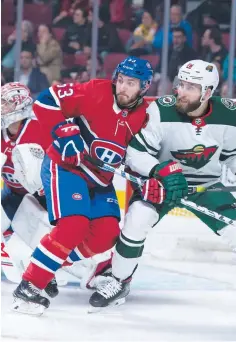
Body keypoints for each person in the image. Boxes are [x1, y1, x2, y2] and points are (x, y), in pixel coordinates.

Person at [89, 59, 236, 320]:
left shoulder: (229, 113)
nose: (181, 90)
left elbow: (234, 156)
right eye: (181, 84)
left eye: (190, 87)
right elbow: (137, 153)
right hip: (163, 186)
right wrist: (159, 171)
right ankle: (119, 281)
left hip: (207, 186)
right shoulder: (161, 110)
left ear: (208, 92)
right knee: (136, 221)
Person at [11, 57, 154, 316]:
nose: (122, 87)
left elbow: (140, 155)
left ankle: (45, 265)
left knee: (106, 234)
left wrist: (151, 176)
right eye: (120, 80)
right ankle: (30, 284)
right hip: (67, 168)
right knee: (73, 224)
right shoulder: (96, 91)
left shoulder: (146, 116)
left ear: (143, 88)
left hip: (100, 180)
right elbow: (46, 99)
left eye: (130, 83)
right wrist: (63, 130)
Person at [1, 82, 57, 296]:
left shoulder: (41, 130)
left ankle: (43, 271)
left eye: (5, 103)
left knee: (44, 245)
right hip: (12, 196)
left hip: (42, 201)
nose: (1, 107)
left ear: (19, 105)